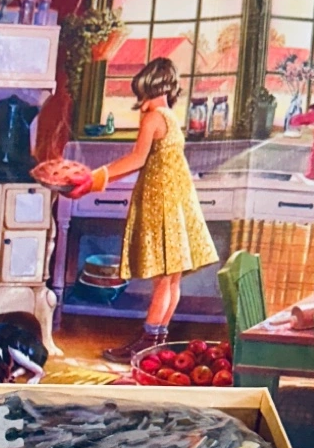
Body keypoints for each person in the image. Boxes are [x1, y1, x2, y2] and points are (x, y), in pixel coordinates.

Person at [65, 57, 219, 363]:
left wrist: (95, 177)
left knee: (163, 279)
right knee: (172, 279)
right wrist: (99, 180)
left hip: (161, 204)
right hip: (177, 203)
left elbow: (137, 159)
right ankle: (156, 341)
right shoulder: (170, 117)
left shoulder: (152, 118)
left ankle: (147, 343)